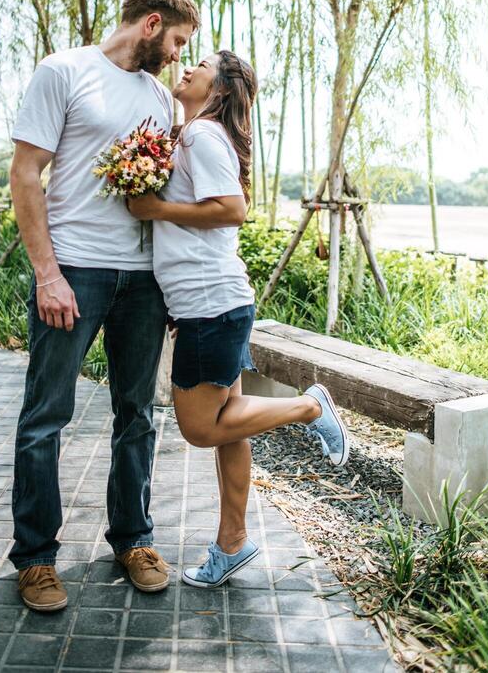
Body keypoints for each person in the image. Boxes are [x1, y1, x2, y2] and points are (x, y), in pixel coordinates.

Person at [8, 0, 200, 611]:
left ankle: (133, 539)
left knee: (138, 414)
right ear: (150, 24)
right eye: (175, 43)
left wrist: (171, 285)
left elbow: (166, 199)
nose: (176, 58)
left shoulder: (157, 99)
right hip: (76, 271)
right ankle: (36, 558)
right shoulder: (64, 71)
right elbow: (26, 173)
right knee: (46, 416)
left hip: (142, 280)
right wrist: (48, 274)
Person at [128, 50, 350, 589]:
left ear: (220, 88)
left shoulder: (202, 136)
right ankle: (232, 544)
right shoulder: (194, 134)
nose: (186, 67)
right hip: (210, 303)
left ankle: (307, 406)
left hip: (211, 303)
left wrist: (155, 209)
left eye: (198, 63)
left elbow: (231, 209)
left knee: (201, 427)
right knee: (228, 425)